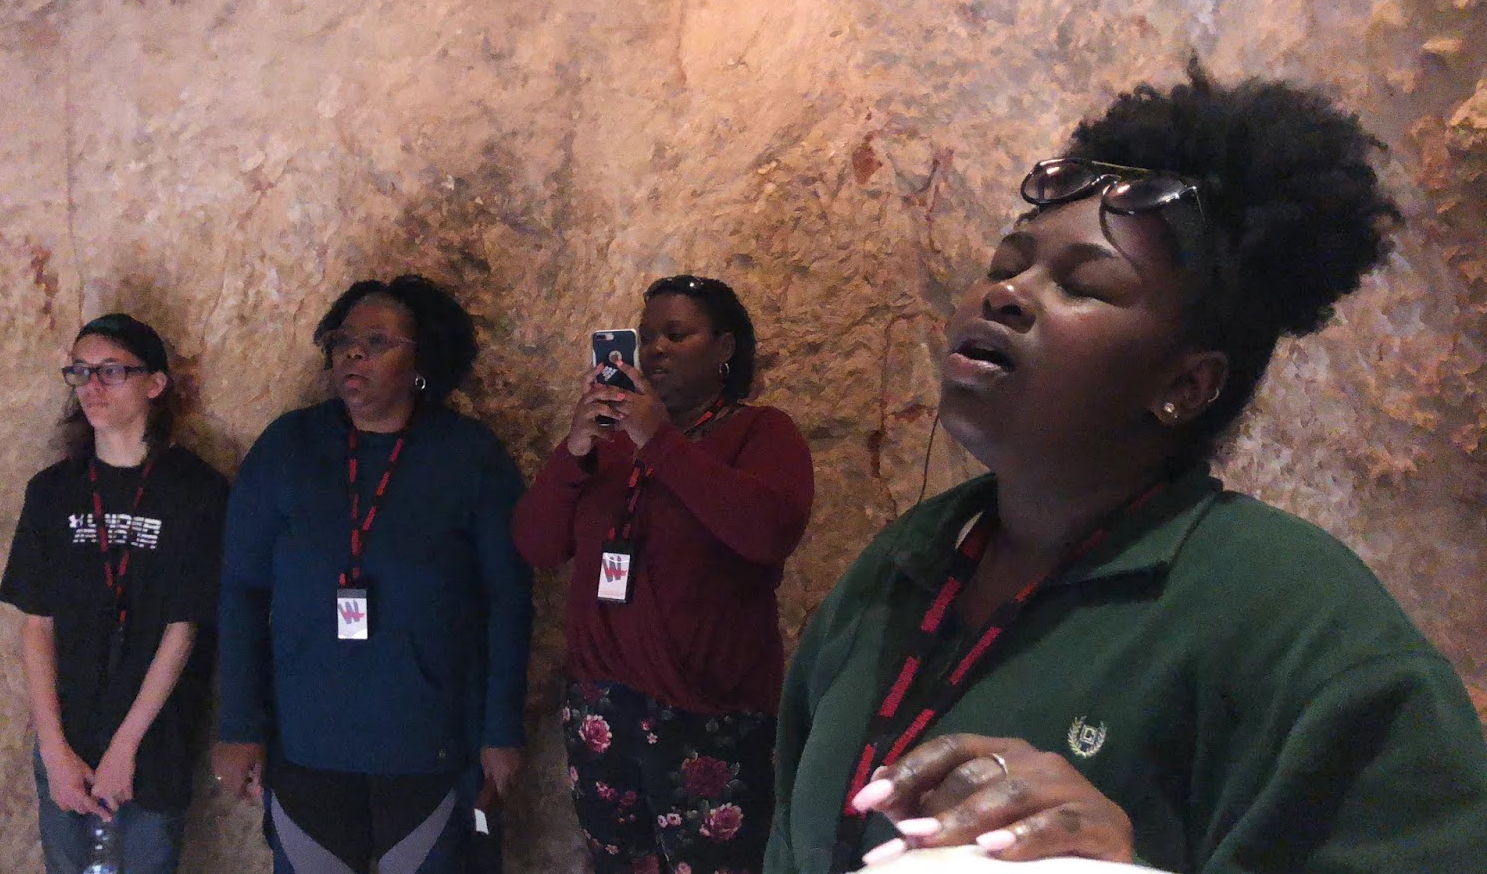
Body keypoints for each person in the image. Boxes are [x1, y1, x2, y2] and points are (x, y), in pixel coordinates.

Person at [766, 64, 1487, 874]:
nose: (1006, 294)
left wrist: (1123, 869)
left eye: (1085, 284)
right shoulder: (904, 563)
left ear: (1186, 385)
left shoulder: (1300, 626)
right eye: (1006, 264)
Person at [212, 275, 533, 873]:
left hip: (430, 746)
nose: (353, 353)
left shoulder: (469, 457)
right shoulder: (288, 447)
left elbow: (509, 600)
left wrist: (501, 731)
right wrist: (238, 726)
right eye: (343, 340)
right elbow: (241, 592)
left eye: (378, 341)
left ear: (422, 362)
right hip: (306, 742)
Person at [513, 275, 815, 874]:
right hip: (602, 706)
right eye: (647, 336)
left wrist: (658, 439)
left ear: (724, 346)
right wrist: (574, 450)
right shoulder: (608, 444)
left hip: (708, 711)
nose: (655, 350)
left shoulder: (761, 432)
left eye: (677, 335)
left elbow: (767, 533)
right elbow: (537, 546)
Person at [0, 313, 228, 874]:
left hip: (155, 733)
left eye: (111, 371)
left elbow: (183, 628)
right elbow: (36, 625)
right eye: (80, 372)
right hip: (68, 736)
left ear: (155, 384)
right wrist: (53, 749)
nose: (92, 387)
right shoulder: (52, 491)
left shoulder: (196, 490)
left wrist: (126, 747)